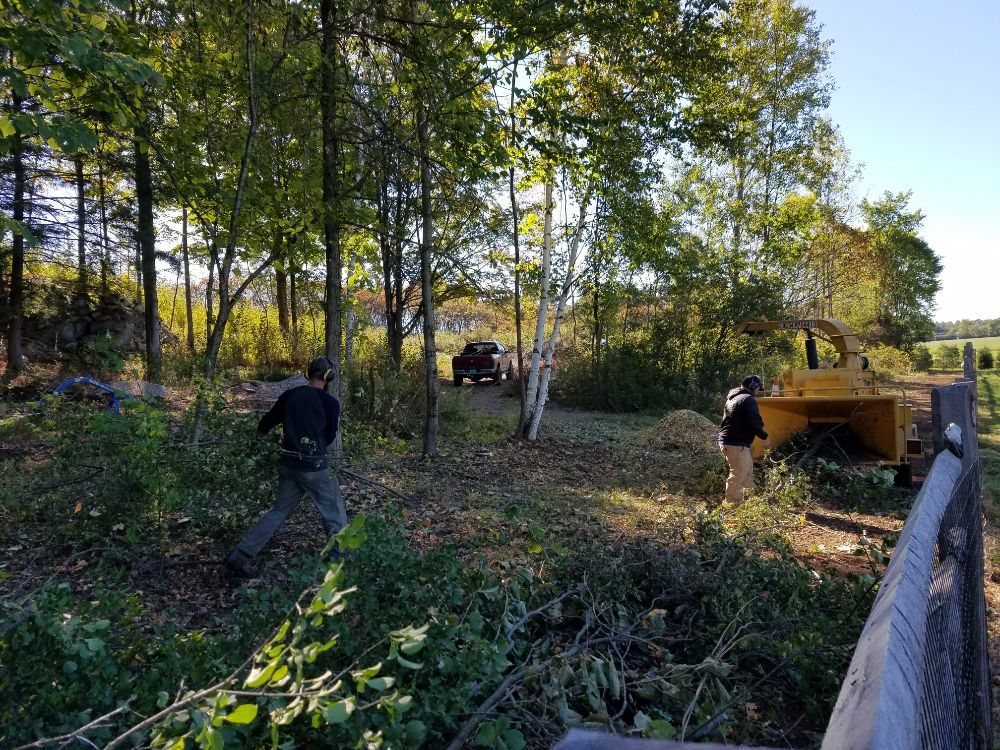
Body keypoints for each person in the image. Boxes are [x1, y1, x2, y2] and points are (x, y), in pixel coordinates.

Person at [224, 356, 347, 577]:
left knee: (278, 511)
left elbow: (266, 423)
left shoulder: (290, 395)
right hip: (314, 468)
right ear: (329, 377)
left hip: (288, 464)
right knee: (334, 512)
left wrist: (258, 437)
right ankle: (338, 562)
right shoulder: (331, 403)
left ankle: (240, 554)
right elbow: (329, 437)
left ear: (309, 373)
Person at [717, 374, 769, 505]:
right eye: (758, 388)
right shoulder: (748, 399)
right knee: (739, 474)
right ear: (753, 386)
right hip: (735, 442)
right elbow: (755, 421)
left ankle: (751, 501)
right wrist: (764, 436)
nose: (758, 392)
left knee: (747, 470)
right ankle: (731, 505)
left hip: (730, 441)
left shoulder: (733, 398)